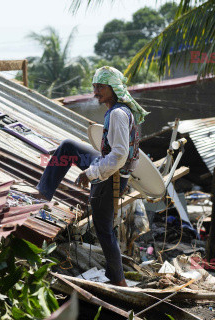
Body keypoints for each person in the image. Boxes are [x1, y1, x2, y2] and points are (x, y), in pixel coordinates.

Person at [36, 66, 149, 287]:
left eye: (100, 87)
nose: (95, 91)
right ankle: (43, 193)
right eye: (94, 86)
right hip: (108, 166)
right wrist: (62, 156)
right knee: (68, 147)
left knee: (103, 228)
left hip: (111, 175)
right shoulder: (118, 110)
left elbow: (119, 154)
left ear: (113, 88)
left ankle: (118, 280)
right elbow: (110, 150)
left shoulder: (117, 114)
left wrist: (91, 172)